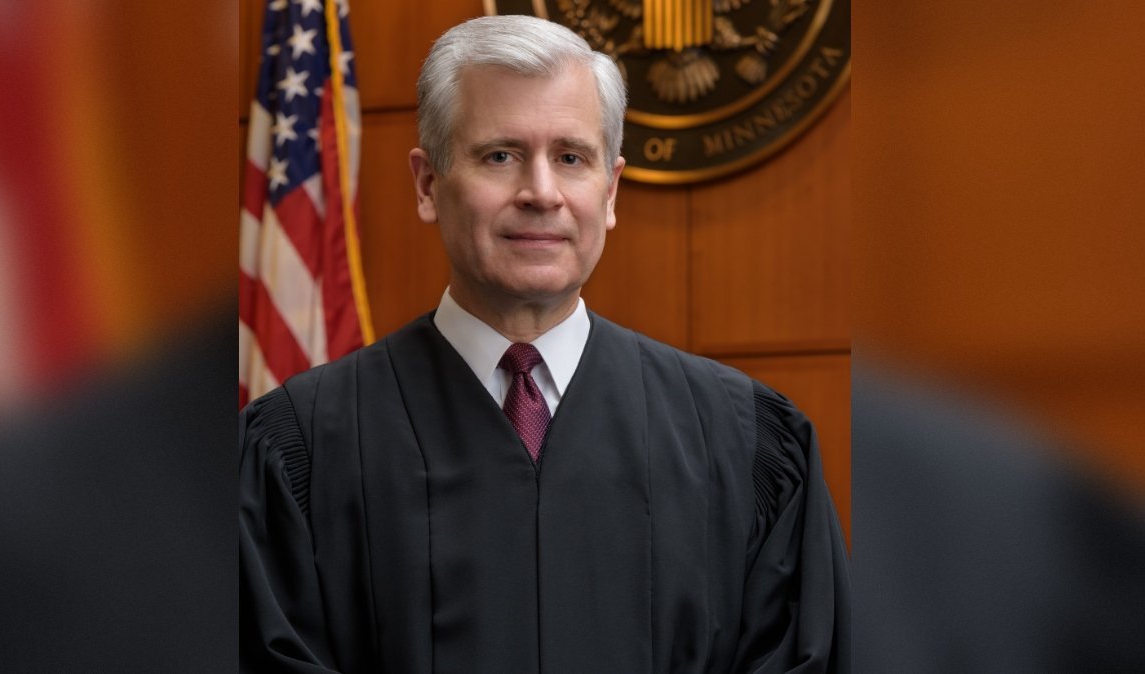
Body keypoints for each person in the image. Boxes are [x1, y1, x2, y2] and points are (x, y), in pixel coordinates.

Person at [240, 14, 849, 673]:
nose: (541, 192)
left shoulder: (746, 444)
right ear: (427, 184)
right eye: (499, 155)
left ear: (609, 190)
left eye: (571, 157)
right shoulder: (300, 448)